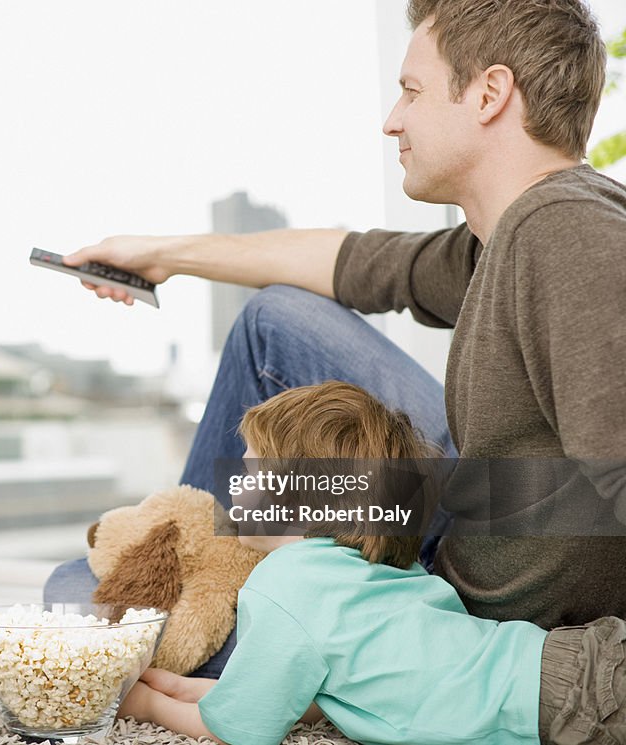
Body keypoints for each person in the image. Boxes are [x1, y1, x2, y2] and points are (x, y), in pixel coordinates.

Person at [43, 0, 626, 677]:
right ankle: (189, 558)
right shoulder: (507, 236)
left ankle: (188, 592)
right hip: (479, 511)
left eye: (412, 91)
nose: (392, 119)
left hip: (470, 618)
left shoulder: (568, 236)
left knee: (69, 591)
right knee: (276, 319)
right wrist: (163, 253)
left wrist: (393, 494)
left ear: (490, 94)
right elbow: (348, 260)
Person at [118, 382, 626, 745]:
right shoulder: (375, 569)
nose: (233, 484)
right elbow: (330, 690)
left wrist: (146, 707)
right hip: (575, 664)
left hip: (572, 702)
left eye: (249, 470)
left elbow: (242, 730)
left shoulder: (282, 585)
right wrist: (187, 688)